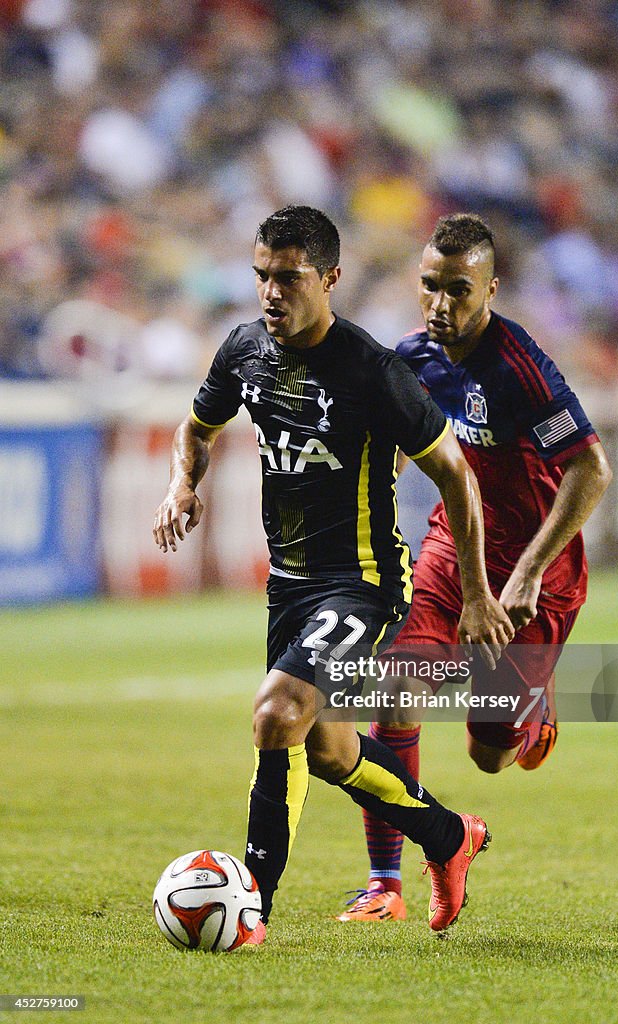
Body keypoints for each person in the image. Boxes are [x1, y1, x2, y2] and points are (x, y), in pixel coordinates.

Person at [152, 205, 515, 944]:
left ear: (329, 279)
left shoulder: (372, 370)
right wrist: (180, 487)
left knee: (275, 713)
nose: (270, 293)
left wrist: (476, 593)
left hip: (362, 582)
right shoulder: (243, 350)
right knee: (326, 748)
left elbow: (457, 478)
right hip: (288, 586)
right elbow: (197, 428)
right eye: (260, 276)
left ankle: (252, 904)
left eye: (288, 278)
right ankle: (449, 837)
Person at [338, 213, 612, 923]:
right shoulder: (411, 360)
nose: (439, 304)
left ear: (491, 288)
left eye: (457, 289)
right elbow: (389, 456)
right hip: (452, 551)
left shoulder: (517, 368)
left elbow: (589, 468)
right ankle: (384, 884)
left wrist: (523, 575)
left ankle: (528, 714)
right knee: (396, 686)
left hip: (534, 576)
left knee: (490, 753)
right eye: (429, 286)